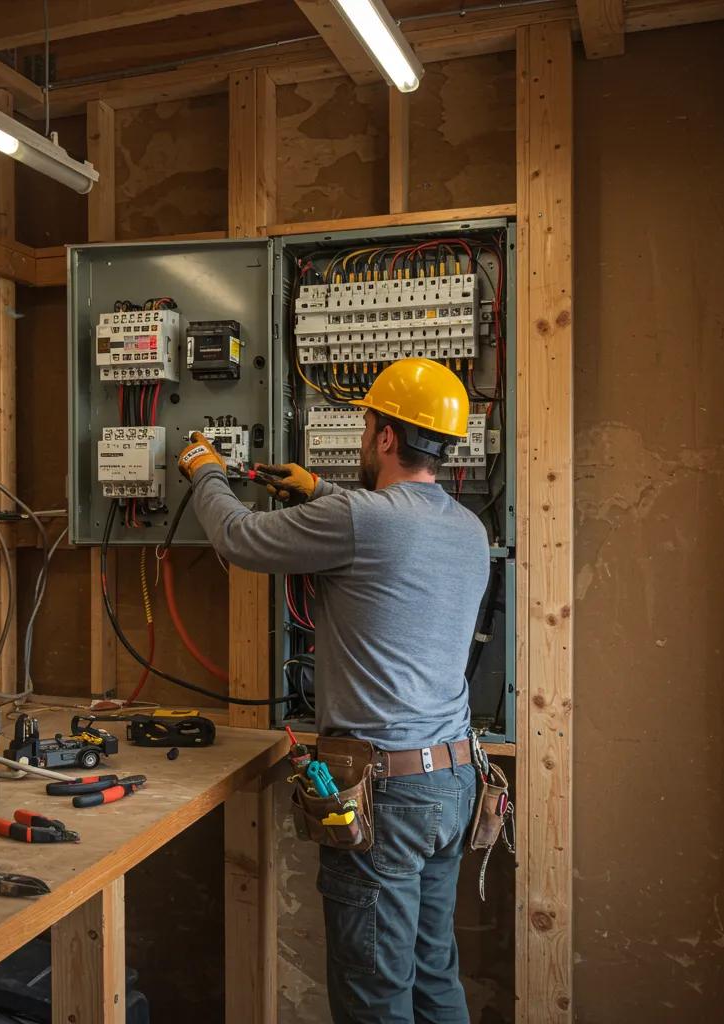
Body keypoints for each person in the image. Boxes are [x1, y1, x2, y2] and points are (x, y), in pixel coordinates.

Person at [177, 357, 489, 1024]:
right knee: (434, 975)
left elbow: (237, 538)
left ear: (382, 436)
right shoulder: (469, 531)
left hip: (386, 797)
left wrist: (204, 470)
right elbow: (388, 533)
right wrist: (317, 487)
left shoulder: (361, 517)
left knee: (373, 993)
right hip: (453, 782)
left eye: (367, 421)